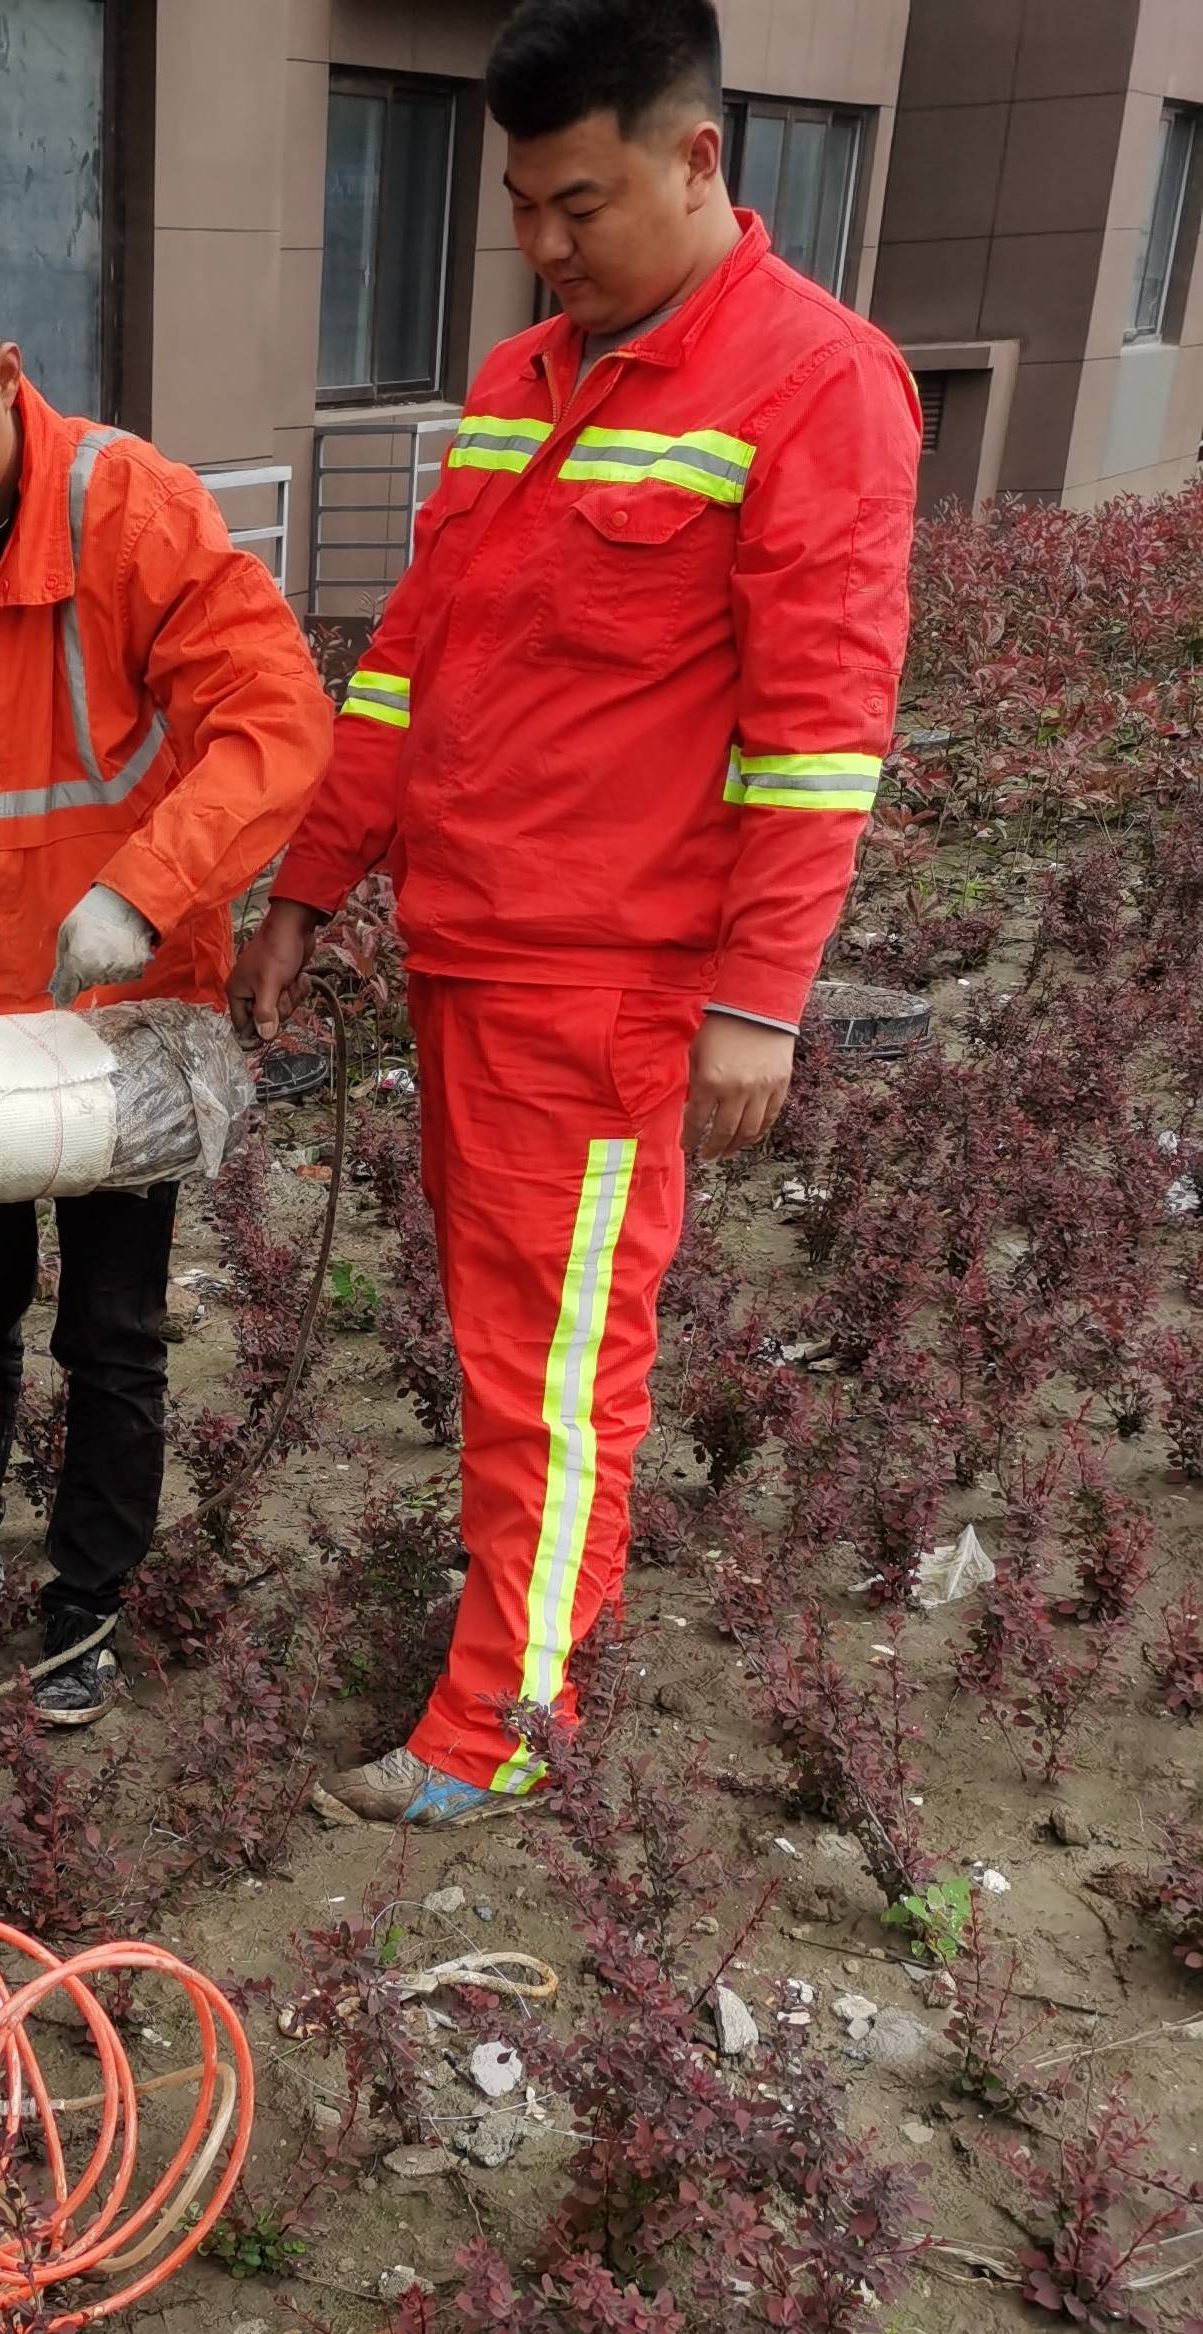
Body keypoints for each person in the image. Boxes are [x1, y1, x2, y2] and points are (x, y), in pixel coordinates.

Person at [232, 0, 919, 1825]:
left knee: (551, 1357)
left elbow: (820, 734)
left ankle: (502, 1727)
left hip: (611, 995)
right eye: (522, 205)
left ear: (702, 157)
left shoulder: (814, 385)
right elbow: (406, 668)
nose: (543, 247)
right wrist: (314, 878)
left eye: (580, 204)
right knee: (502, 1339)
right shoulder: (527, 381)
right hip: (472, 961)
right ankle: (515, 1643)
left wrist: (760, 996)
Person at [0, 226, 334, 1724]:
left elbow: (274, 722)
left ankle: (88, 1601)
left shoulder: (133, 513)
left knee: (111, 1320)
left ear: (3, 375)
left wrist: (142, 898)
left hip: (122, 1019)